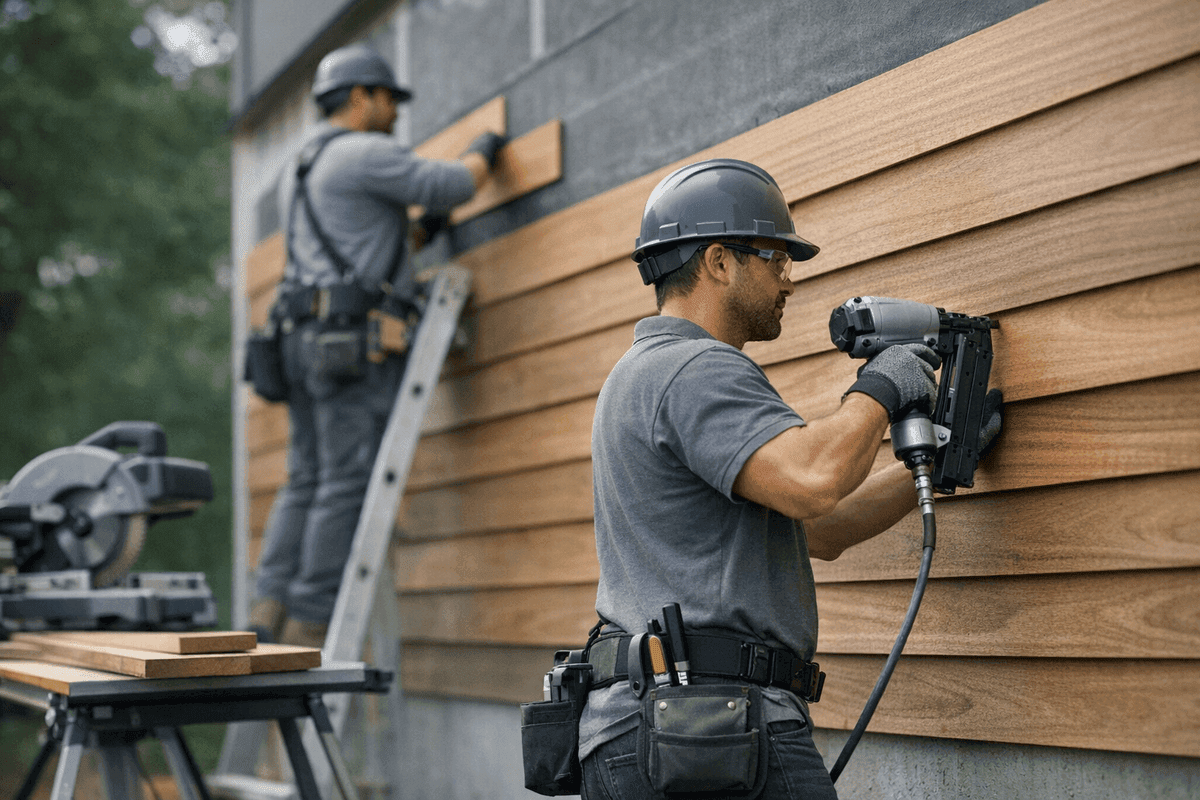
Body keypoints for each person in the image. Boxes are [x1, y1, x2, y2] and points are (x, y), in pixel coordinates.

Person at [578, 159, 1001, 798]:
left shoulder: (641, 375)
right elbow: (812, 478)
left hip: (659, 730)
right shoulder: (695, 369)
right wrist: (881, 387)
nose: (789, 279)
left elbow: (819, 528)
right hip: (710, 731)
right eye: (775, 258)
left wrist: (930, 468)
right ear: (719, 260)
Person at [248, 44, 506, 648]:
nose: (395, 111)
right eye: (389, 98)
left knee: (305, 477)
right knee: (345, 481)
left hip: (301, 340)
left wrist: (414, 236)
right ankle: (310, 627)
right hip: (347, 347)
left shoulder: (303, 167)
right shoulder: (366, 153)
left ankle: (268, 609)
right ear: (361, 95)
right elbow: (454, 183)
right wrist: (487, 148)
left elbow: (355, 248)